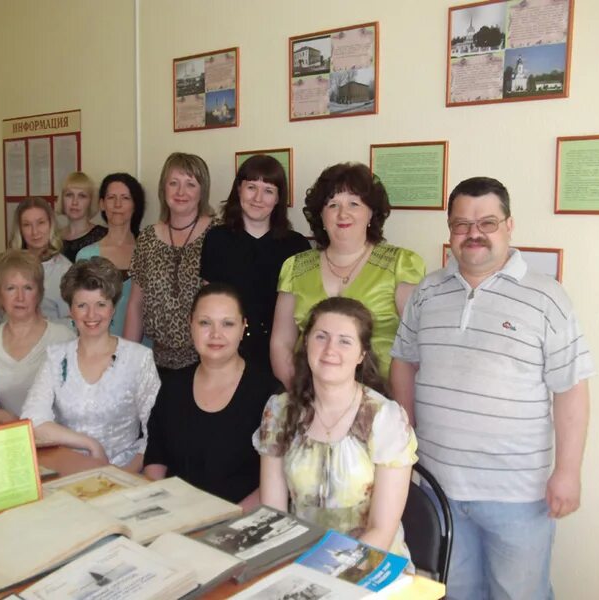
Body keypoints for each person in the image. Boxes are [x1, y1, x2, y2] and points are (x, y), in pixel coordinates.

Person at [390, 177, 594, 599]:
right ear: (450, 231)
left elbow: (570, 388)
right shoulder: (427, 292)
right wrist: (404, 439)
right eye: (462, 224)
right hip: (439, 487)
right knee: (456, 594)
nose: (474, 233)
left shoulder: (547, 298)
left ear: (509, 225)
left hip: (518, 495)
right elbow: (404, 362)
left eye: (487, 222)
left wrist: (569, 471)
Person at [257, 297, 417, 555]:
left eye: (345, 341)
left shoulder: (385, 418)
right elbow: (275, 516)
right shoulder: (279, 412)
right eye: (321, 337)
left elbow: (381, 531)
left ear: (362, 354)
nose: (330, 349)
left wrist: (327, 574)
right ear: (306, 342)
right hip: (298, 560)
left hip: (370, 563)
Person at [270, 162, 424, 389]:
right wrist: (303, 395)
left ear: (371, 212)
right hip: (310, 398)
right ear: (321, 215)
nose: (343, 213)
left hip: (382, 399)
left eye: (354, 203)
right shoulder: (295, 267)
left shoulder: (401, 264)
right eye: (333, 205)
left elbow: (417, 346)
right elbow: (281, 343)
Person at [21, 257, 159, 470]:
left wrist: (123, 476)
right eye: (82, 305)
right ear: (71, 311)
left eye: (101, 304)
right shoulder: (56, 358)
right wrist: (89, 444)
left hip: (125, 473)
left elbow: (157, 432)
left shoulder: (139, 359)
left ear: (113, 309)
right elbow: (32, 420)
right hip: (67, 472)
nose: (91, 315)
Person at [144, 284, 274, 508]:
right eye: (205, 322)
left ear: (243, 327)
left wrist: (226, 522)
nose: (216, 334)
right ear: (190, 325)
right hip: (174, 516)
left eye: (228, 324)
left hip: (238, 524)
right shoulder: (173, 385)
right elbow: (156, 456)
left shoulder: (270, 394)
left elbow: (274, 484)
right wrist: (156, 507)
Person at [201, 155, 310, 380]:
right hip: (227, 355)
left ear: (279, 198)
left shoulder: (297, 245)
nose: (258, 198)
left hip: (281, 361)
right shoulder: (216, 239)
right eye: (251, 187)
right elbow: (208, 303)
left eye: (268, 190)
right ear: (238, 190)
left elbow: (303, 313)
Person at [124, 152, 217, 371]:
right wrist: (126, 360)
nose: (181, 192)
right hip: (159, 362)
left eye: (190, 184)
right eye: (173, 183)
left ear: (202, 191)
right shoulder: (147, 238)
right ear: (163, 189)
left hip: (206, 360)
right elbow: (136, 304)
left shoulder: (218, 234)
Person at [0, 250, 75, 422]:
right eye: (11, 288)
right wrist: (8, 419)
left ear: (39, 293)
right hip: (15, 437)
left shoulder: (63, 338)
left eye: (28, 288)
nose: (20, 297)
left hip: (61, 438)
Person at [0, 197, 73, 328]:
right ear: (19, 229)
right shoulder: (7, 265)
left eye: (40, 223)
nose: (35, 231)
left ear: (51, 224)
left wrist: (41, 325)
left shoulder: (65, 270)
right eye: (27, 225)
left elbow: (74, 322)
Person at [76, 173, 145, 337]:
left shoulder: (147, 251)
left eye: (125, 198)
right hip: (99, 348)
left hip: (142, 351)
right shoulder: (86, 256)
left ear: (135, 205)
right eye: (111, 197)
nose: (117, 204)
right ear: (101, 204)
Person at [57, 172, 108, 262]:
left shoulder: (103, 236)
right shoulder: (54, 237)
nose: (74, 202)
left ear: (91, 201)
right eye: (69, 195)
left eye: (82, 196)